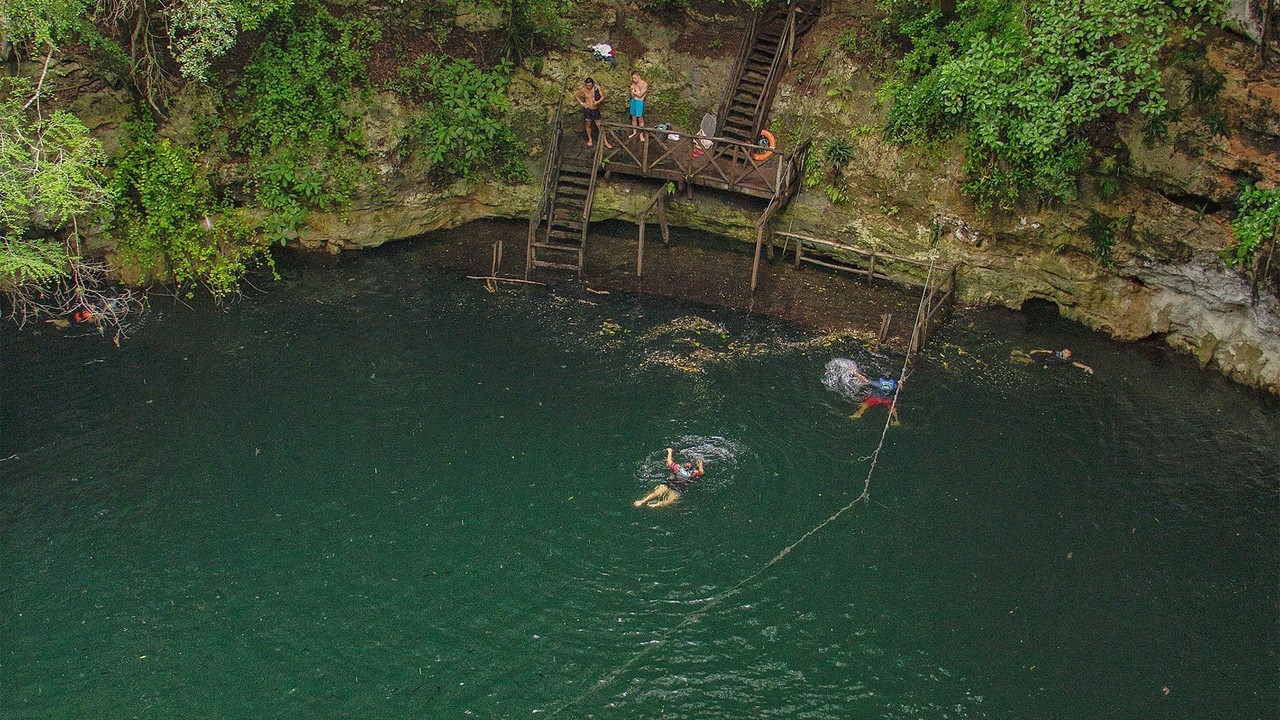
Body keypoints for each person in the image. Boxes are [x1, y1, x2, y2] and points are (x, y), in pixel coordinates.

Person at [634, 448, 704, 508]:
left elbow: (701, 472)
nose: (687, 466)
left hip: (677, 489)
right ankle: (643, 501)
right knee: (657, 493)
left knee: (672, 500)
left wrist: (700, 464)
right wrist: (670, 452)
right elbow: (669, 461)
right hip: (670, 484)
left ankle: (658, 504)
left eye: (689, 465)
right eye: (687, 465)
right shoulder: (678, 468)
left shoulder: (692, 473)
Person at [575, 77, 611, 148]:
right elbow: (576, 96)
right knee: (588, 124)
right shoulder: (583, 89)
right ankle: (590, 139)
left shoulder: (596, 88)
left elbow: (603, 96)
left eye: (590, 85)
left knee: (599, 125)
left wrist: (597, 102)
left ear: (592, 84)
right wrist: (582, 103)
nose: (589, 87)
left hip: (595, 109)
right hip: (588, 109)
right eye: (587, 85)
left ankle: (605, 141)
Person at [1028, 347, 1094, 374]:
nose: (1064, 354)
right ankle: (1031, 360)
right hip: (1046, 359)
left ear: (1070, 354)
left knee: (1045, 366)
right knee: (1041, 356)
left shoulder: (1068, 360)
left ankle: (1035, 365)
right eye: (1064, 352)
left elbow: (1076, 364)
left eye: (1067, 353)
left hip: (1049, 365)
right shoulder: (1057, 353)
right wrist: (1037, 350)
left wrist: (1086, 367)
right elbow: (1047, 351)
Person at [627, 71, 648, 140]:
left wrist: (634, 90)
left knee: (640, 118)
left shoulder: (644, 84)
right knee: (633, 117)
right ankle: (634, 132)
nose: (633, 80)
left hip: (640, 102)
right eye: (632, 78)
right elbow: (633, 95)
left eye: (634, 78)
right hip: (634, 101)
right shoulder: (633, 84)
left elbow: (640, 95)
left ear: (638, 76)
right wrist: (632, 90)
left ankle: (641, 134)